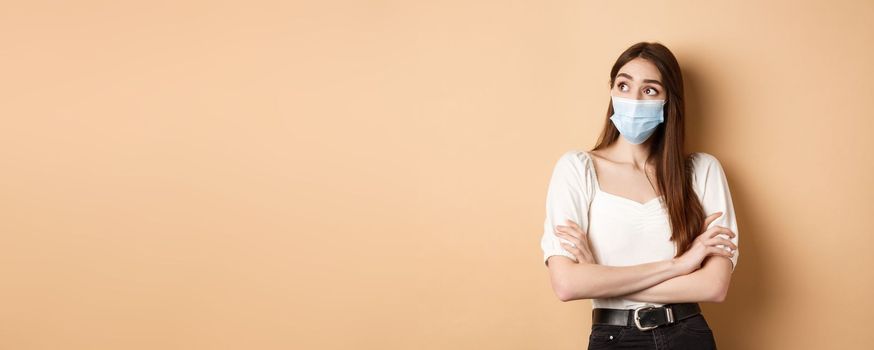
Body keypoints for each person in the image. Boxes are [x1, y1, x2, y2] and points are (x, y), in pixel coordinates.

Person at [539, 41, 739, 350]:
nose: (633, 99)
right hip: (614, 339)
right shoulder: (577, 169)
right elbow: (567, 284)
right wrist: (681, 265)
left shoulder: (702, 171)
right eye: (623, 85)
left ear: (668, 101)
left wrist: (601, 278)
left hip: (687, 335)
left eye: (649, 90)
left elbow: (714, 286)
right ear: (612, 92)